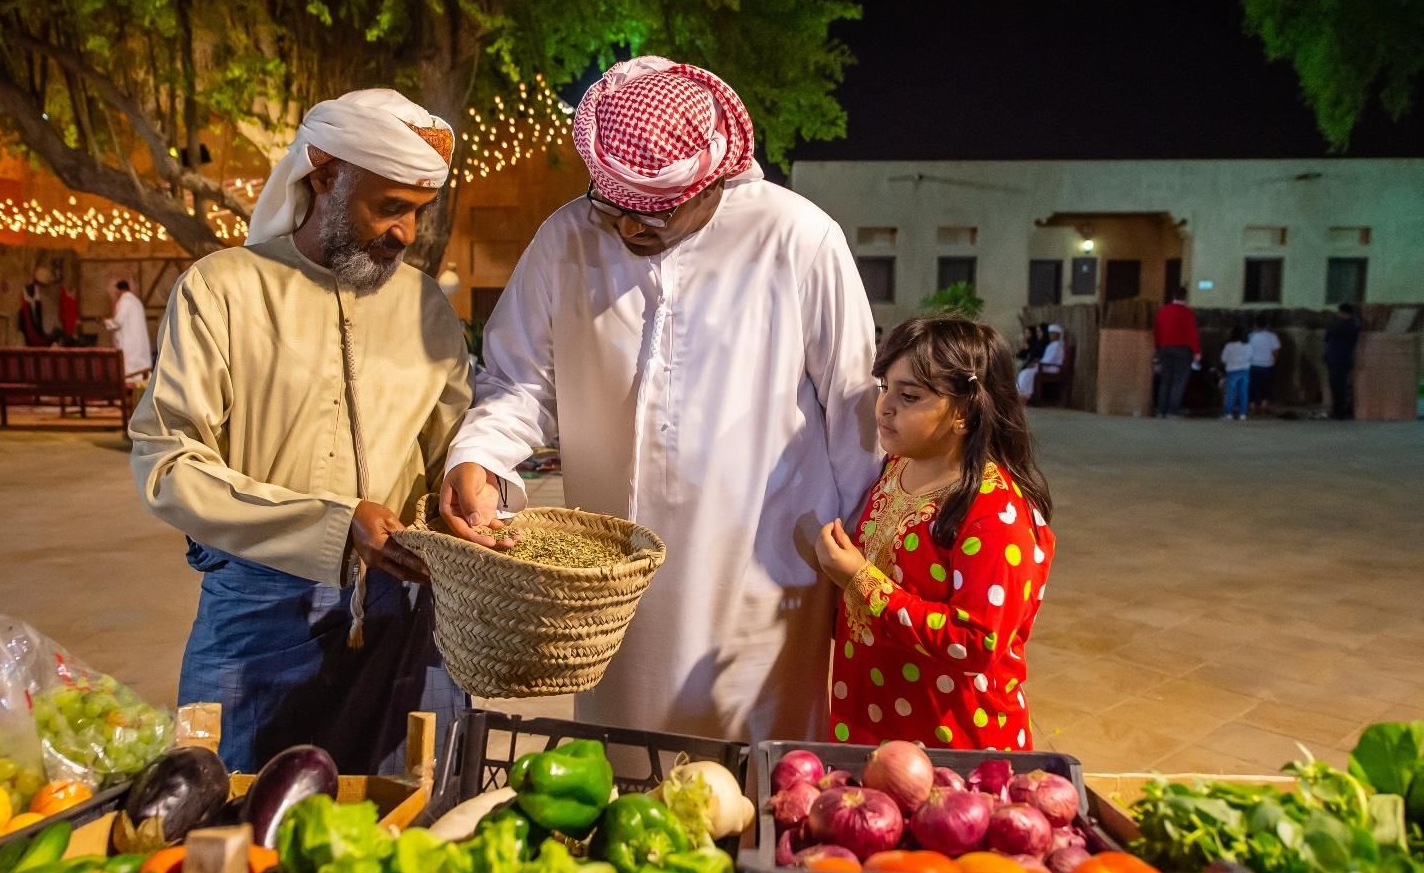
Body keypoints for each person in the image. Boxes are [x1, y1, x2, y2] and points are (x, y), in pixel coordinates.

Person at [440, 56, 879, 746]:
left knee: (756, 776)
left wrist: (866, 560)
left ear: (718, 184)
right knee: (622, 771)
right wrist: (480, 456)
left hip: (768, 572)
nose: (630, 230)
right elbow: (517, 380)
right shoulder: (566, 238)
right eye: (612, 208)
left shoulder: (796, 239)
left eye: (657, 214)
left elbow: (856, 411)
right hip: (617, 581)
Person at [129, 89, 471, 773]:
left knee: (396, 836)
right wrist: (333, 525)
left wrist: (472, 489)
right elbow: (169, 466)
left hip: (403, 616)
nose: (406, 233)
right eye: (390, 206)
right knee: (225, 832)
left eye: (418, 212)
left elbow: (452, 456)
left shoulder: (426, 308)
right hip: (254, 619)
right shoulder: (222, 290)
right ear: (323, 174)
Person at [815, 318, 1055, 750]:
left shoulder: (994, 515)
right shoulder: (897, 468)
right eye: (884, 386)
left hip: (953, 741)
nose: (884, 406)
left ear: (964, 411)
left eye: (909, 396)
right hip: (870, 716)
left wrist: (859, 579)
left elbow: (976, 643)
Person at [1153, 287, 1201, 417]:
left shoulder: (1162, 311)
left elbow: (1157, 331)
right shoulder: (1188, 313)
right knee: (1179, 381)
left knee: (1165, 380)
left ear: (1173, 297)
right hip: (1183, 350)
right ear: (1185, 298)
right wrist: (1196, 352)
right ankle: (1172, 411)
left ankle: (1161, 410)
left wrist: (1158, 348)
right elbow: (1192, 334)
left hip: (1164, 348)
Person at [103, 280, 153, 382]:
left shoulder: (124, 301)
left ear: (118, 290)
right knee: (140, 367)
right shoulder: (136, 301)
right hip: (138, 341)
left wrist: (106, 322)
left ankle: (128, 389)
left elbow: (118, 322)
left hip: (129, 342)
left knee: (129, 368)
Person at [1324, 303, 1360, 420]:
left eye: (1339, 312)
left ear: (1344, 313)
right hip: (1343, 358)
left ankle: (1338, 411)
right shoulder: (1354, 325)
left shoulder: (1338, 326)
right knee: (1341, 386)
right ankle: (1339, 410)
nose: (1337, 314)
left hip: (1336, 358)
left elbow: (1327, 337)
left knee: (1337, 386)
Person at [1015, 323, 1064, 400]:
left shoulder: (1057, 345)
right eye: (1050, 334)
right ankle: (1022, 393)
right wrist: (1037, 362)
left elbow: (1050, 360)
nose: (1050, 335)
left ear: (1057, 334)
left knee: (1027, 373)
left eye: (1052, 334)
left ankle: (1024, 394)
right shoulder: (1052, 345)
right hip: (1045, 366)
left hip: (1051, 368)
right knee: (1025, 372)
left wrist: (1037, 364)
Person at [1246, 314, 1281, 415]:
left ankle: (1252, 406)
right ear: (1266, 325)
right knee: (1266, 386)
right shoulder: (1272, 336)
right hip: (1267, 365)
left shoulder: (1251, 336)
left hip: (1253, 365)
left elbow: (1246, 349)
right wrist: (1274, 361)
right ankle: (1263, 406)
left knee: (1252, 386)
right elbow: (1276, 351)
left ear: (1255, 324)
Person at [1220, 327, 1252, 420]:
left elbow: (1223, 359)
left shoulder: (1229, 346)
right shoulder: (1248, 345)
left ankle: (1228, 413)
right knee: (1243, 393)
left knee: (1231, 393)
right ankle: (1243, 414)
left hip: (1232, 370)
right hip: (1245, 370)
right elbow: (1251, 357)